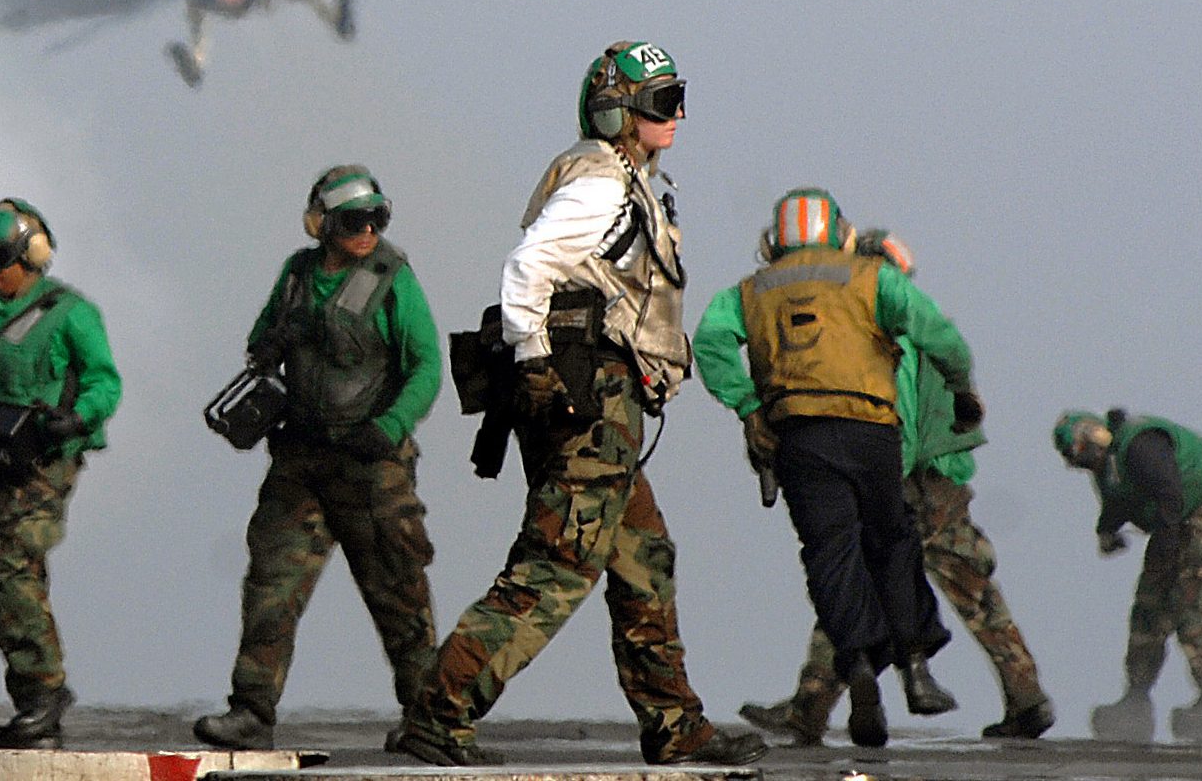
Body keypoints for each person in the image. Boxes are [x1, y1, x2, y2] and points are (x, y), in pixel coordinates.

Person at [397, 41, 766, 768]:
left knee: (641, 558)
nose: (679, 114)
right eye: (663, 103)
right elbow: (528, 266)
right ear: (620, 114)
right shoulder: (600, 183)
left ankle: (674, 724)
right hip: (587, 399)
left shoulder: (626, 180)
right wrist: (535, 361)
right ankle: (441, 710)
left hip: (603, 401)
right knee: (558, 565)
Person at [734, 233, 1053, 743]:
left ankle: (810, 706)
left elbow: (892, 415)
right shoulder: (917, 325)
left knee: (851, 579)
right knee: (973, 589)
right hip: (944, 482)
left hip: (903, 478)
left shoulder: (875, 332)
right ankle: (1027, 697)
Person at [690, 190, 976, 748]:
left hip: (799, 437)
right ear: (839, 231)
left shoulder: (750, 291)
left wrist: (749, 405)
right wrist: (962, 389)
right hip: (870, 431)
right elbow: (936, 332)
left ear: (773, 240)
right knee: (892, 543)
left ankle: (861, 668)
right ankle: (915, 669)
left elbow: (709, 343)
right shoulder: (871, 277)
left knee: (830, 555)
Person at [192, 166, 443, 752]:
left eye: (376, 219)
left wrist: (389, 428)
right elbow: (260, 342)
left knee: (399, 594)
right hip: (301, 462)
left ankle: (430, 721)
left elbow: (427, 366)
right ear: (322, 225)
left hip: (372, 466)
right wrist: (273, 343)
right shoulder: (297, 276)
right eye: (353, 221)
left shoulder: (392, 277)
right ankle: (252, 710)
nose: (367, 232)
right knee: (270, 586)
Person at [0, 198, 121, 749]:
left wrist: (78, 417)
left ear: (33, 254)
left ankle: (44, 693)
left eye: (3, 259)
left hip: (46, 460)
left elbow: (105, 382)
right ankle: (34, 705)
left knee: (11, 563)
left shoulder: (71, 313)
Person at [1054, 407, 1202, 744]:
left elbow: (1169, 490)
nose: (1084, 461)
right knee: (1148, 607)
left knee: (1189, 602)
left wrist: (1168, 539)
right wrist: (1107, 531)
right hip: (1171, 523)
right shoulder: (1109, 467)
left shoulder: (1140, 445)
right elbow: (1117, 501)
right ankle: (1136, 698)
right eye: (1077, 458)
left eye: (1084, 451)